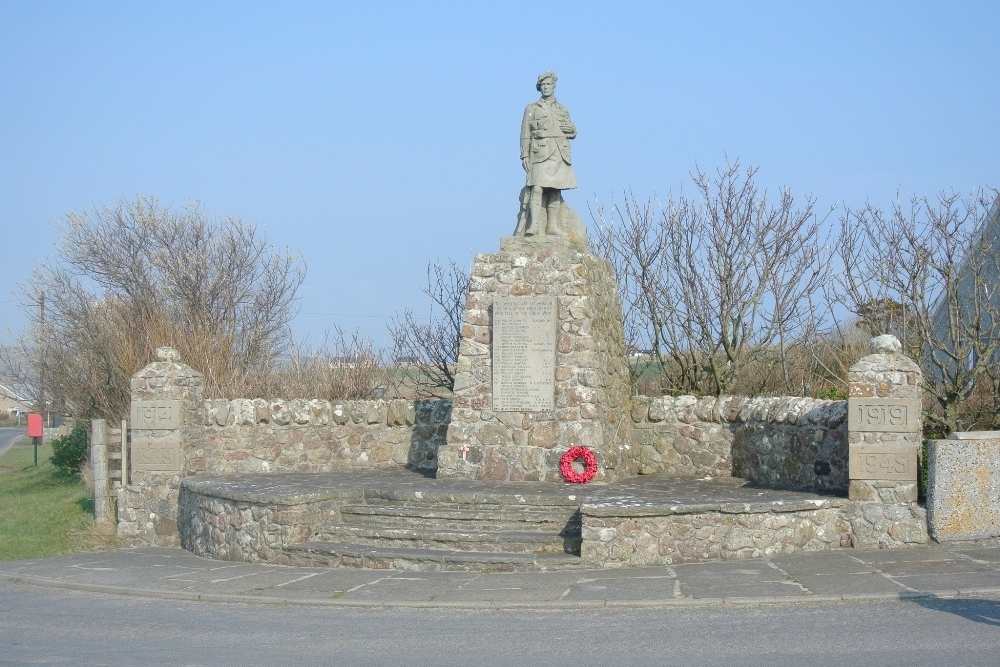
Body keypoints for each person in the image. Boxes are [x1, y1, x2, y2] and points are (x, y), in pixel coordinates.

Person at [519, 71, 577, 235]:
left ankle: (552, 226)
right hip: (540, 151)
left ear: (554, 86)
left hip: (560, 151)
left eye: (548, 84)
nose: (545, 87)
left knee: (555, 190)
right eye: (543, 85)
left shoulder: (562, 109)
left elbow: (571, 128)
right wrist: (524, 154)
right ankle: (534, 225)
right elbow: (525, 133)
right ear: (539, 87)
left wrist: (573, 131)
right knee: (536, 188)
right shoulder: (532, 108)